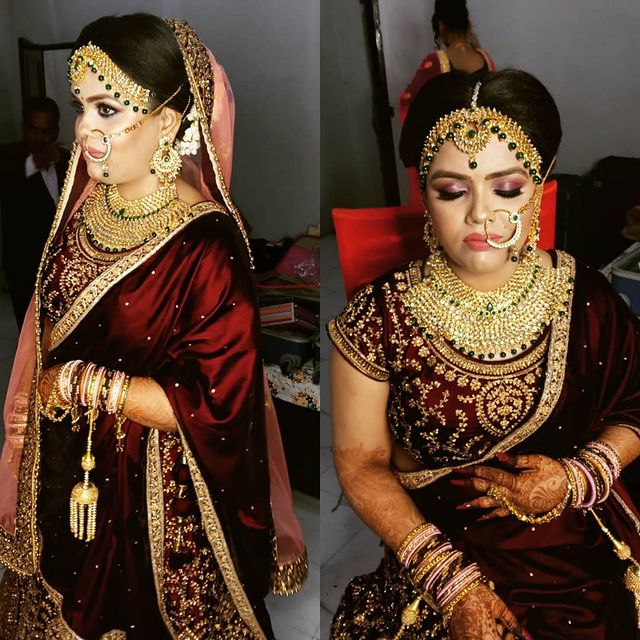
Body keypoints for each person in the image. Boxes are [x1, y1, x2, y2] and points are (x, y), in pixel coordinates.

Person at [0, 13, 307, 639]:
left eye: (108, 109)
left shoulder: (207, 245)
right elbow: (50, 326)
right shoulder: (85, 211)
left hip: (158, 495)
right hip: (68, 464)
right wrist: (35, 406)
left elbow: (218, 403)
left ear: (167, 122)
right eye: (81, 106)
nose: (84, 129)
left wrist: (79, 384)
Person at [328, 69, 640, 639]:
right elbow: (359, 461)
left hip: (573, 547)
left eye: (507, 189)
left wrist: (578, 478)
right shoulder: (379, 316)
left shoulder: (588, 298)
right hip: (439, 549)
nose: (478, 214)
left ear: (539, 184)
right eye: (451, 191)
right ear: (423, 191)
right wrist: (450, 583)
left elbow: (634, 406)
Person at [0, 97, 71, 328]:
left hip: (62, 265)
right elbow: (10, 180)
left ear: (56, 131)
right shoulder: (7, 158)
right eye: (33, 130)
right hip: (23, 267)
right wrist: (39, 161)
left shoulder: (66, 161)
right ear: (24, 129)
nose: (39, 138)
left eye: (46, 131)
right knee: (29, 330)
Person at [399, 0, 495, 125]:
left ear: (441, 25)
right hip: (485, 133)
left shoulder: (436, 61)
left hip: (450, 135)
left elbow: (409, 100)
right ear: (468, 24)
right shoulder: (485, 58)